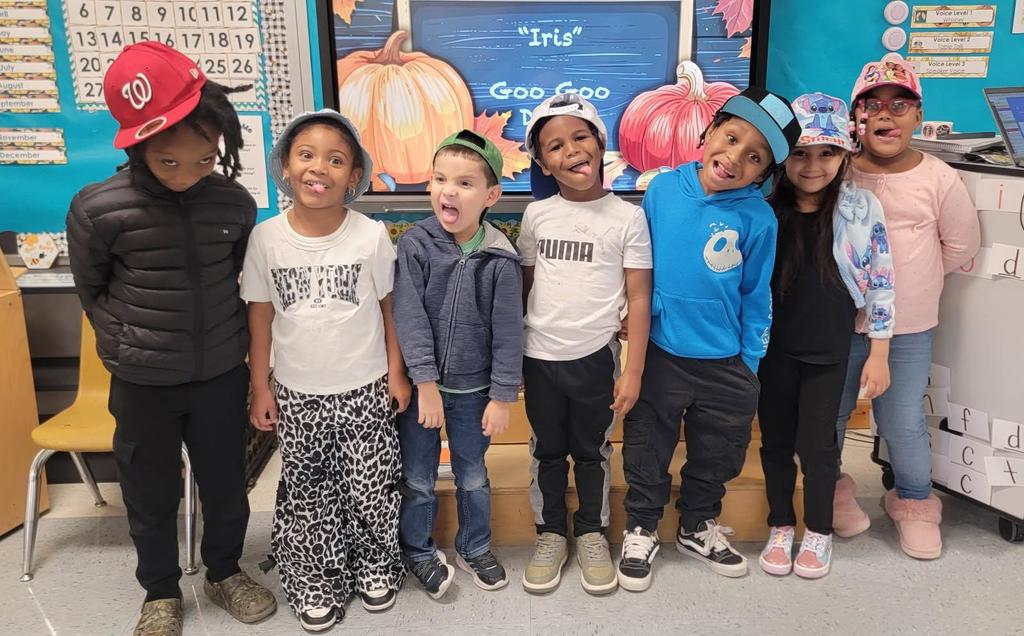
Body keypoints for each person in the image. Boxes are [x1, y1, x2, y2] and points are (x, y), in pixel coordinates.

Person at [66, 42, 276, 636]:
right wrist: (126, 344)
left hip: (219, 375)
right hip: (143, 381)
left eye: (204, 161)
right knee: (149, 491)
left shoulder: (235, 203)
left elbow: (242, 279)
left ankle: (224, 572)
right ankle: (159, 591)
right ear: (138, 146)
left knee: (227, 486)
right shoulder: (97, 208)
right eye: (168, 163)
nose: (188, 176)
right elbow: (93, 290)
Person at [617, 87, 801, 589]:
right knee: (647, 448)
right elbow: (640, 270)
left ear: (764, 174)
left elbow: (756, 291)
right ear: (708, 131)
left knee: (718, 452)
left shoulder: (758, 219)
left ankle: (697, 525)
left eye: (755, 157)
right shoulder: (660, 191)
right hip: (661, 353)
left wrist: (749, 361)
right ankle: (642, 525)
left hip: (726, 362)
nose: (735, 157)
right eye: (731, 137)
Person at [242, 110, 411, 631]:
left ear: (353, 176)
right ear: (286, 168)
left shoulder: (371, 236)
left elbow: (390, 310)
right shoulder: (266, 239)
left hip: (365, 387)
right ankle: (316, 579)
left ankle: (377, 568)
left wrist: (397, 374)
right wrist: (259, 386)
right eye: (307, 155)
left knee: (371, 486)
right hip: (297, 393)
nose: (320, 168)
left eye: (336, 160)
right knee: (309, 490)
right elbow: (260, 314)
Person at [833, 59, 980, 559]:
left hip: (909, 327)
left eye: (899, 104)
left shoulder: (938, 178)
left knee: (901, 421)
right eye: (871, 105)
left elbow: (960, 245)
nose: (884, 114)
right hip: (842, 324)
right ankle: (831, 488)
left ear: (918, 115)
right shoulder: (839, 170)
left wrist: (913, 283)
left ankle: (915, 500)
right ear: (856, 118)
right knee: (829, 414)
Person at [517, 94, 653, 595]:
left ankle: (592, 533)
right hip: (539, 358)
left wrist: (632, 369)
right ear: (542, 162)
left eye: (579, 137)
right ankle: (551, 533)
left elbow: (639, 298)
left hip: (598, 358)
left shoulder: (627, 218)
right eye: (555, 145)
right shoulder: (536, 216)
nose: (570, 151)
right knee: (546, 451)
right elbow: (525, 289)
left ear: (599, 142)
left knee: (592, 451)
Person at [757, 93, 894, 579]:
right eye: (801, 153)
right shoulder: (763, 208)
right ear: (784, 155)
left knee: (819, 447)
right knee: (774, 443)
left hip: (830, 351)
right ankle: (780, 524)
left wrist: (879, 353)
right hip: (771, 352)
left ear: (845, 154)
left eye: (827, 153)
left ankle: (818, 530)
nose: (813, 165)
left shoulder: (862, 207)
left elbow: (881, 280)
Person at [393, 130, 523, 599]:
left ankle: (475, 545)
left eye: (465, 184)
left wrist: (503, 396)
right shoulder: (415, 246)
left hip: (475, 394)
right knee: (419, 478)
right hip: (422, 392)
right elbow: (408, 317)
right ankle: (418, 551)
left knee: (473, 475)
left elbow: (509, 332)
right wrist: (424, 383)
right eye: (440, 179)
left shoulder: (501, 258)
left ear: (491, 196)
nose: (448, 191)